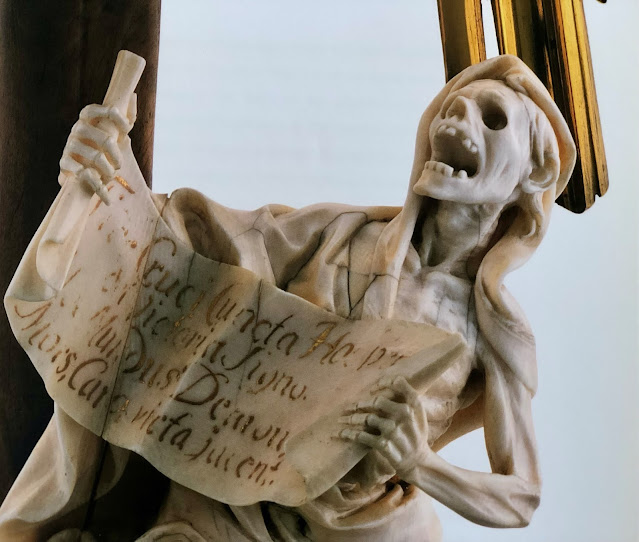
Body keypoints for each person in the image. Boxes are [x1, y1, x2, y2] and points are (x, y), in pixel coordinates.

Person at [0, 55, 575, 541]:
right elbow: (193, 247)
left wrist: (420, 464)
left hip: (359, 527)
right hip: (227, 491)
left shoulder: (495, 328)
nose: (458, 115)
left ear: (532, 176)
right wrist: (106, 175)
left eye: (493, 119)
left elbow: (520, 496)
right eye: (454, 105)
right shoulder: (342, 234)